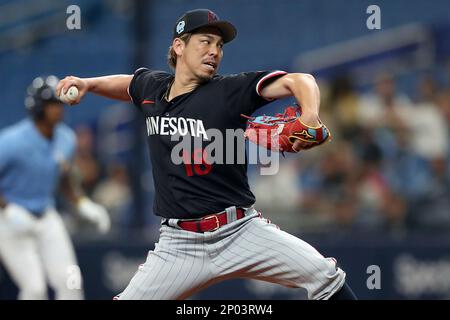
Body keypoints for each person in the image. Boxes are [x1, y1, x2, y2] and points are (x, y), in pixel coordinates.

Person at [57, 9, 356, 300]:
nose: (214, 51)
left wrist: (311, 116)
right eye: (205, 41)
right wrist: (89, 84)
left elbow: (301, 80)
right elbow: (129, 85)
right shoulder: (152, 87)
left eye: (219, 45)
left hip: (239, 231)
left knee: (325, 277)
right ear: (179, 46)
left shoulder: (230, 91)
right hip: (179, 244)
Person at [0, 75, 111, 300]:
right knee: (34, 289)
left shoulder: (66, 139)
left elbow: (63, 178)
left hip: (46, 217)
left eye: (60, 103)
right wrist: (7, 208)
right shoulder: (11, 141)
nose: (59, 109)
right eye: (52, 104)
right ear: (38, 107)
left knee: (71, 281)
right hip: (10, 220)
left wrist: (83, 204)